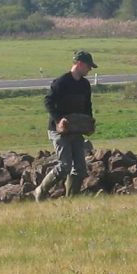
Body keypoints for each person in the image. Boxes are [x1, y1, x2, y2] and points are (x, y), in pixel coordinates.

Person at [34, 50, 97, 201]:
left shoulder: (85, 85)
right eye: (88, 66)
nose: (90, 70)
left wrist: (89, 122)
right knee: (64, 166)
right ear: (79, 64)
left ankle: (71, 200)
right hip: (59, 131)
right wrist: (58, 120)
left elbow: (87, 106)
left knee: (80, 169)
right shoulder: (61, 82)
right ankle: (40, 191)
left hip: (76, 130)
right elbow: (48, 101)